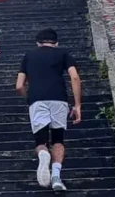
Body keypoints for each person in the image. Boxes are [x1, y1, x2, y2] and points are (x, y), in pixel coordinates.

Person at [15, 28, 82, 191]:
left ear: (38, 43)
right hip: (59, 98)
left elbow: (19, 85)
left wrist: (29, 99)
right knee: (58, 139)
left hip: (37, 99)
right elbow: (74, 76)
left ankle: (43, 154)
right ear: (56, 43)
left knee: (40, 141)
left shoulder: (29, 56)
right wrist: (77, 105)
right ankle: (56, 177)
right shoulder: (63, 54)